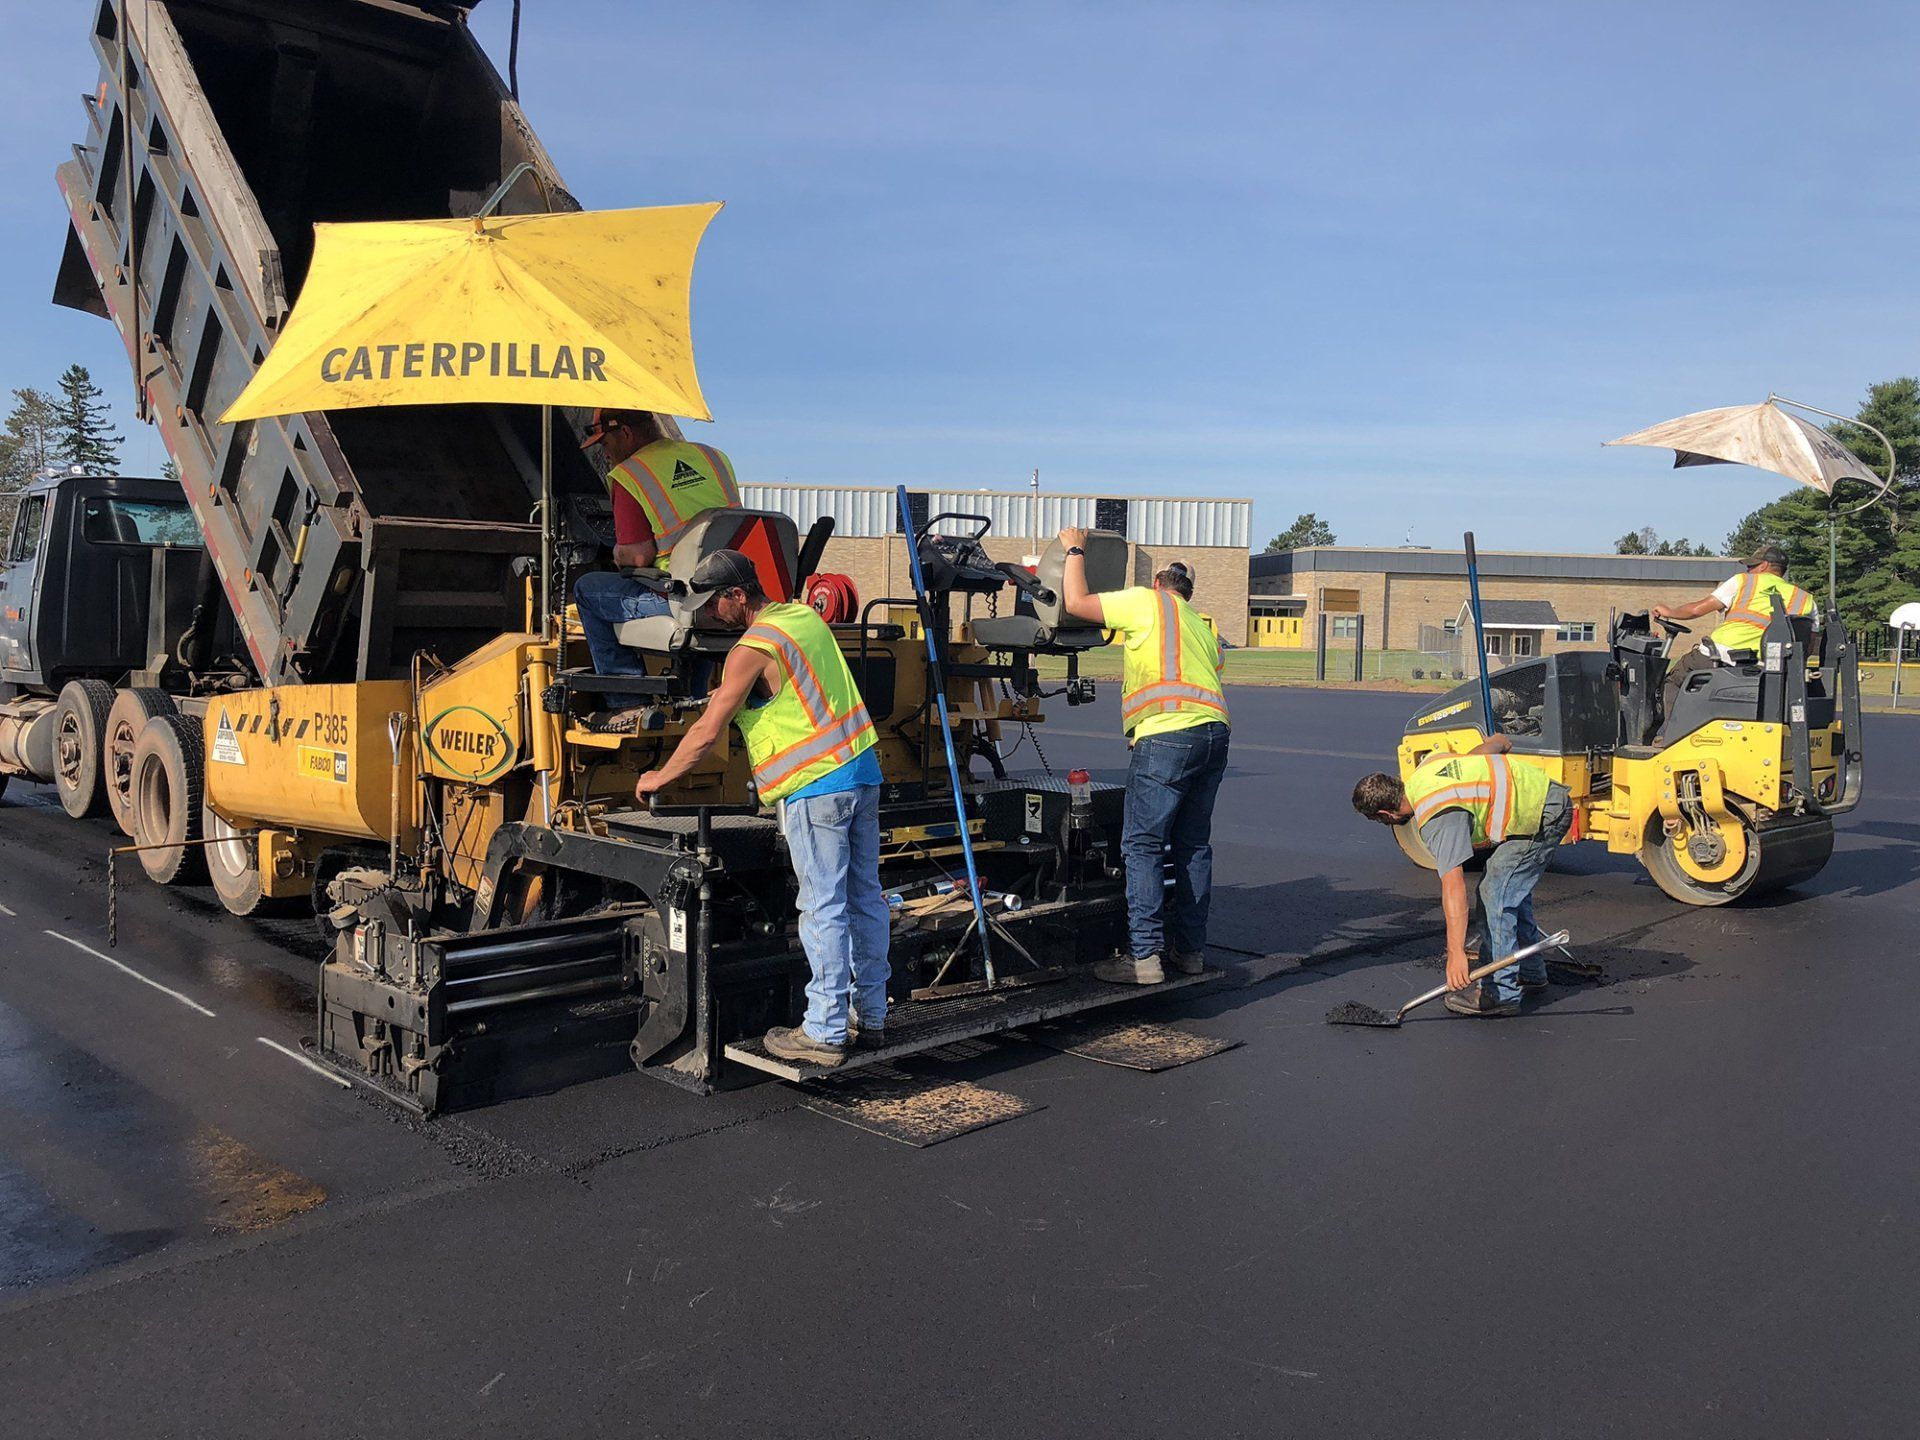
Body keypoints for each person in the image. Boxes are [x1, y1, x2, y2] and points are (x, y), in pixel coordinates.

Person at [632, 549, 887, 1067]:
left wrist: (660, 777)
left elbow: (708, 733)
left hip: (816, 787)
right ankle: (872, 1015)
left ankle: (825, 1031)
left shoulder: (752, 647)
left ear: (737, 595)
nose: (709, 614)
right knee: (864, 899)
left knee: (822, 907)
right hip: (861, 773)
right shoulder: (803, 618)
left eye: (714, 604)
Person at [1056, 529, 1230, 985]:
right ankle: (1190, 952)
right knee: (1193, 846)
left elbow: (1075, 603)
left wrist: (1074, 548)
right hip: (1214, 735)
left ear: (1157, 583)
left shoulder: (1144, 602)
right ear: (1189, 591)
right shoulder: (1203, 625)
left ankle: (1145, 958)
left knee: (1143, 845)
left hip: (1168, 736)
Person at [1352, 736, 1572, 1017]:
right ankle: (1530, 972)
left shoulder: (1437, 816)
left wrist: (1455, 952)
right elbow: (1478, 754)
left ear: (1385, 813)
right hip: (1542, 800)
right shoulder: (1427, 769)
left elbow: (1453, 885)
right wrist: (1499, 743)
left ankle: (1500, 992)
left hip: (1544, 816)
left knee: (1494, 894)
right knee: (1508, 886)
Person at [573, 409, 743, 675]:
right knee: (697, 612)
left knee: (586, 589)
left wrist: (618, 553)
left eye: (604, 443)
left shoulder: (629, 475)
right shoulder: (714, 457)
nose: (604, 453)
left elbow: (638, 557)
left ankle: (625, 695)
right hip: (731, 591)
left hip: (678, 597)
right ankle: (695, 693)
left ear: (625, 432)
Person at [1652, 544, 1814, 727]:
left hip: (1721, 656)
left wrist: (1669, 611)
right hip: (1767, 668)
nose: (1748, 570)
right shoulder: (1805, 599)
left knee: (1674, 679)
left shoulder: (1744, 582)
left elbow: (1696, 610)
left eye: (1751, 566)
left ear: (1764, 566)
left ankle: (1668, 733)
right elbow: (1807, 647)